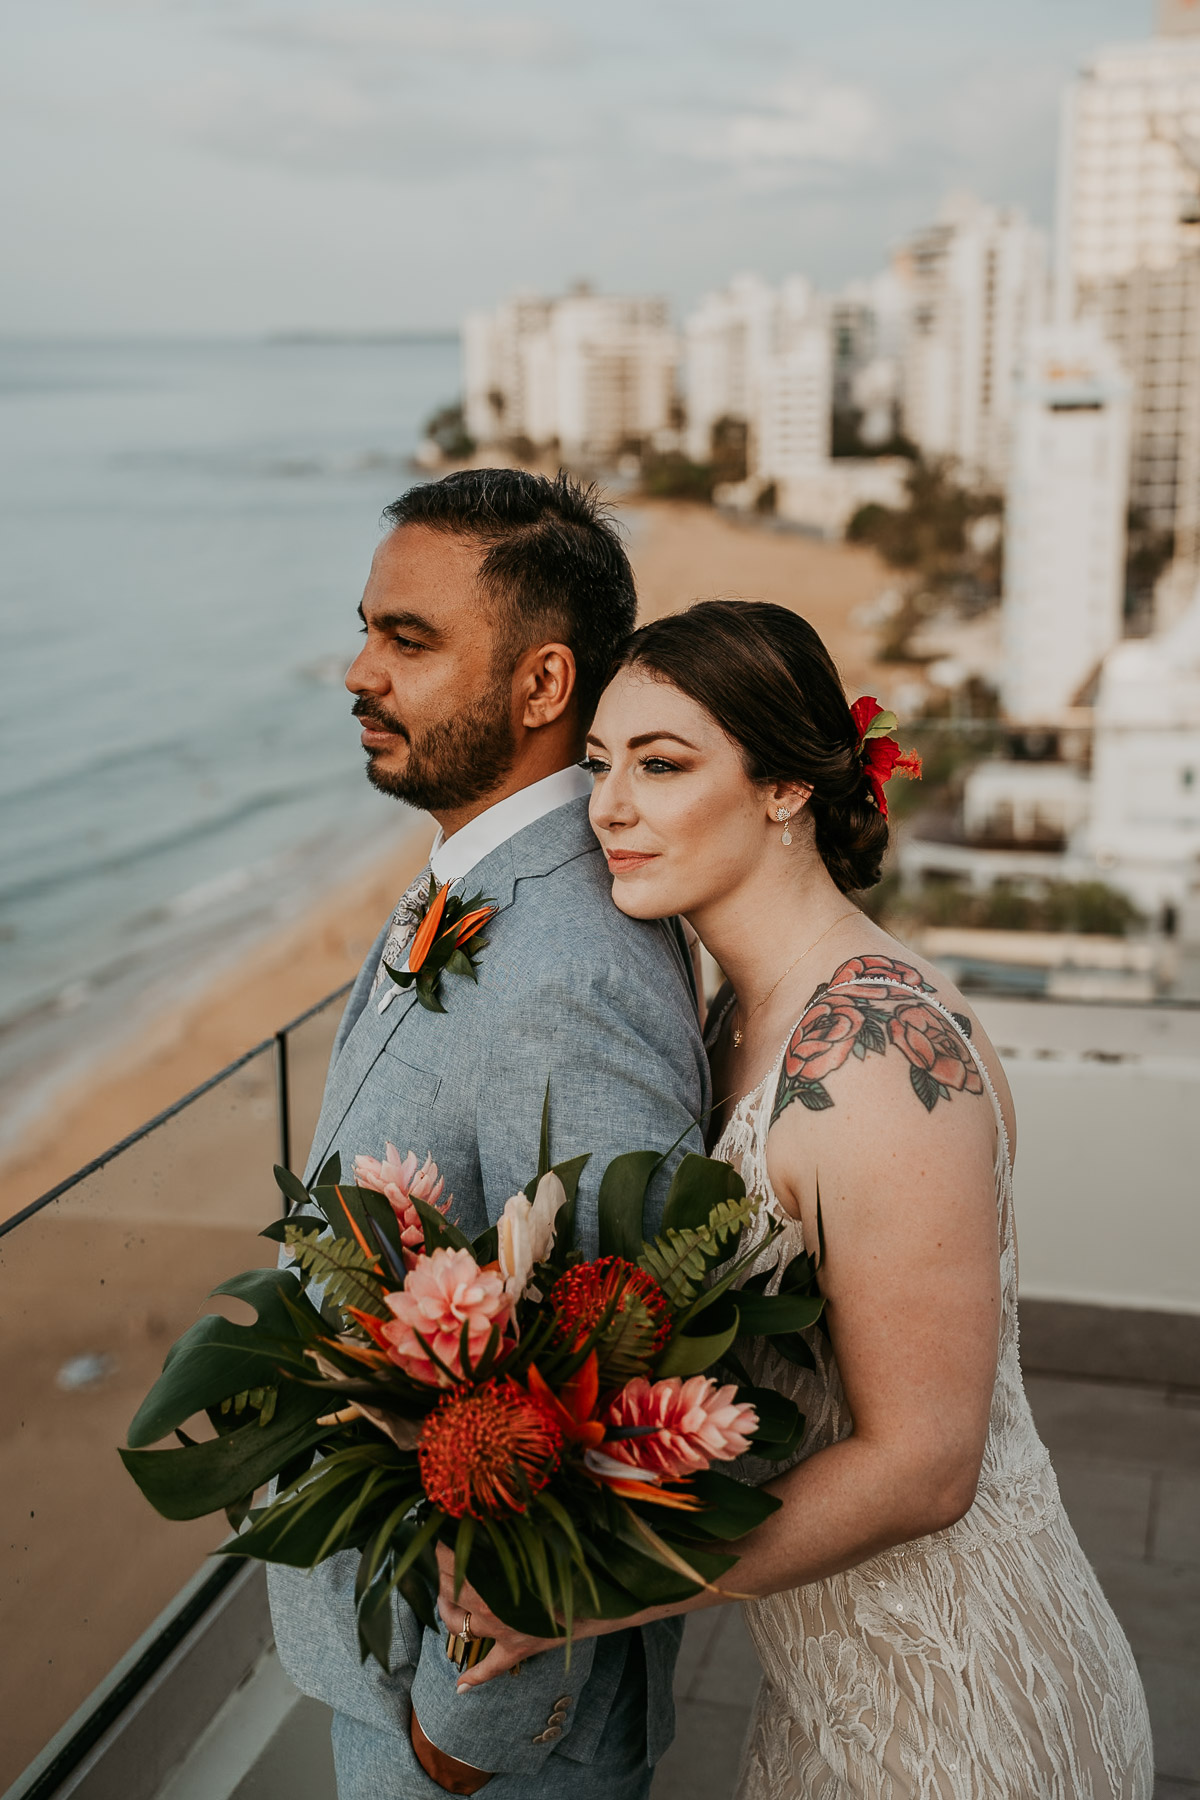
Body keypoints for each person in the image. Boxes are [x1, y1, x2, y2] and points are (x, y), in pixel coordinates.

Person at [443, 599, 1154, 1799]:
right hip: (831, 1687)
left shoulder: (874, 1058)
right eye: (602, 764)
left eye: (663, 767)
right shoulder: (738, 1013)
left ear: (784, 789)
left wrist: (597, 1586)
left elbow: (928, 1465)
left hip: (966, 1714)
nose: (609, 807)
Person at [267, 470, 709, 1800]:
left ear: (540, 686)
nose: (356, 670)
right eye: (366, 628)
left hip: (476, 1728)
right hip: (397, 1668)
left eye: (408, 641)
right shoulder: (485, 869)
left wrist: (457, 1750)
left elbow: (606, 1376)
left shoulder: (565, 964)